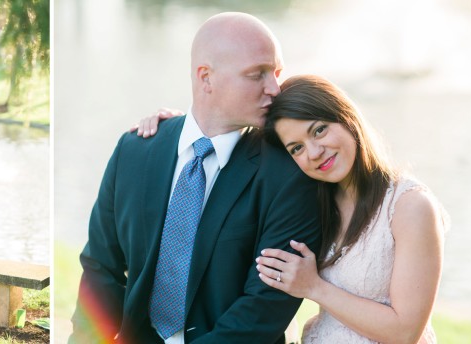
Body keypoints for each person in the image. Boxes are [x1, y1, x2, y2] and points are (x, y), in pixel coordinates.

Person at [70, 12, 321, 344]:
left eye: (276, 73)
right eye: (257, 74)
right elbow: (102, 266)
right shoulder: (134, 150)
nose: (274, 89)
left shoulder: (290, 174)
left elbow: (264, 307)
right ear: (206, 78)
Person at [140, 75, 447, 343]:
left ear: (347, 117)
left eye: (319, 130)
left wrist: (314, 287)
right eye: (296, 148)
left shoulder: (409, 207)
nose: (314, 152)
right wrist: (181, 129)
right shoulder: (314, 200)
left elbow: (406, 331)